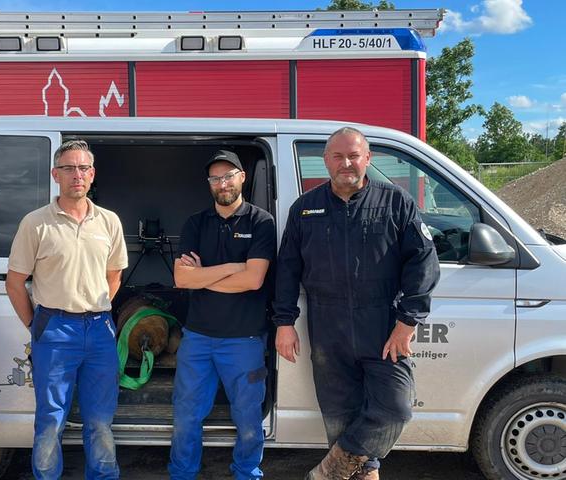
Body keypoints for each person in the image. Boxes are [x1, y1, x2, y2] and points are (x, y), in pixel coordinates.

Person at [272, 127, 440, 480]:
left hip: (383, 326)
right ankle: (358, 472)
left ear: (367, 159)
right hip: (327, 326)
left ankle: (329, 472)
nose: (346, 163)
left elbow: (423, 263)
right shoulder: (305, 209)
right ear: (326, 161)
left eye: (353, 155)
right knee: (338, 418)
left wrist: (408, 321)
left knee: (396, 408)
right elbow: (287, 268)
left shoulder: (396, 202)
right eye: (338, 156)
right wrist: (284, 321)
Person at [5, 139, 128, 480]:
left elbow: (114, 277)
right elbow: (15, 282)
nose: (77, 175)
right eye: (69, 168)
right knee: (50, 419)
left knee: (101, 420)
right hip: (54, 328)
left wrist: (95, 305)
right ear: (55, 174)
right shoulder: (36, 223)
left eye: (83, 168)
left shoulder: (109, 222)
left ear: (93, 175)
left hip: (100, 329)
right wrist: (37, 326)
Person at [168, 150, 276, 480]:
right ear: (209, 184)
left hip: (244, 340)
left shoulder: (261, 222)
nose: (222, 183)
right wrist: (232, 268)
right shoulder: (195, 223)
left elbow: (254, 279)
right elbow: (182, 279)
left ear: (242, 177)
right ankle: (182, 474)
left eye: (228, 176)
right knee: (186, 414)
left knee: (247, 417)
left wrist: (205, 278)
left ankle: (247, 472)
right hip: (197, 338)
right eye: (215, 178)